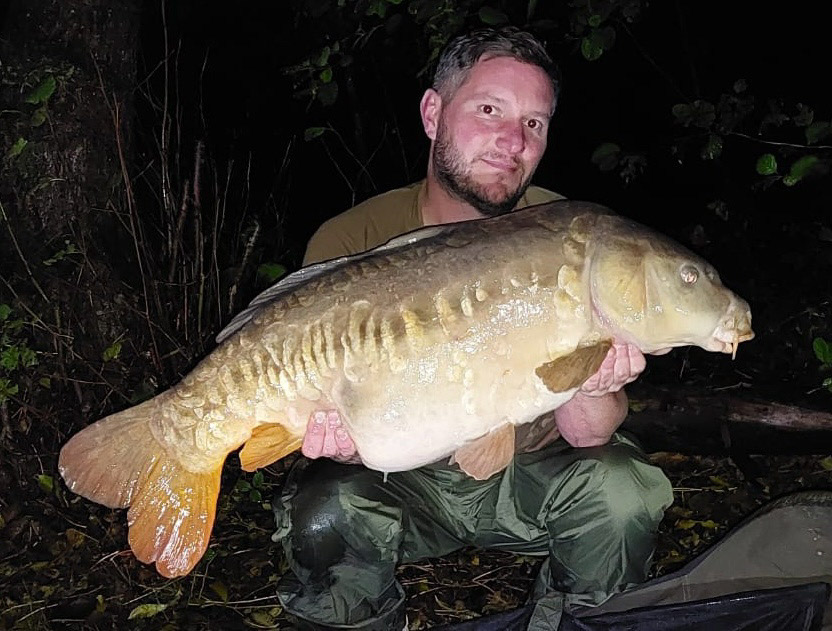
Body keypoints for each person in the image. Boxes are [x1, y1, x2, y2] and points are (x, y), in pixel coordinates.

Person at [273, 27, 673, 631]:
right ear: (434, 113)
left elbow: (590, 436)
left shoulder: (576, 238)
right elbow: (316, 413)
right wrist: (335, 432)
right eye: (490, 110)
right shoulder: (352, 241)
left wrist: (594, 383)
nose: (512, 141)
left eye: (534, 123)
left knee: (622, 491)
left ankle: (586, 621)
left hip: (530, 479)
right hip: (402, 484)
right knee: (324, 510)